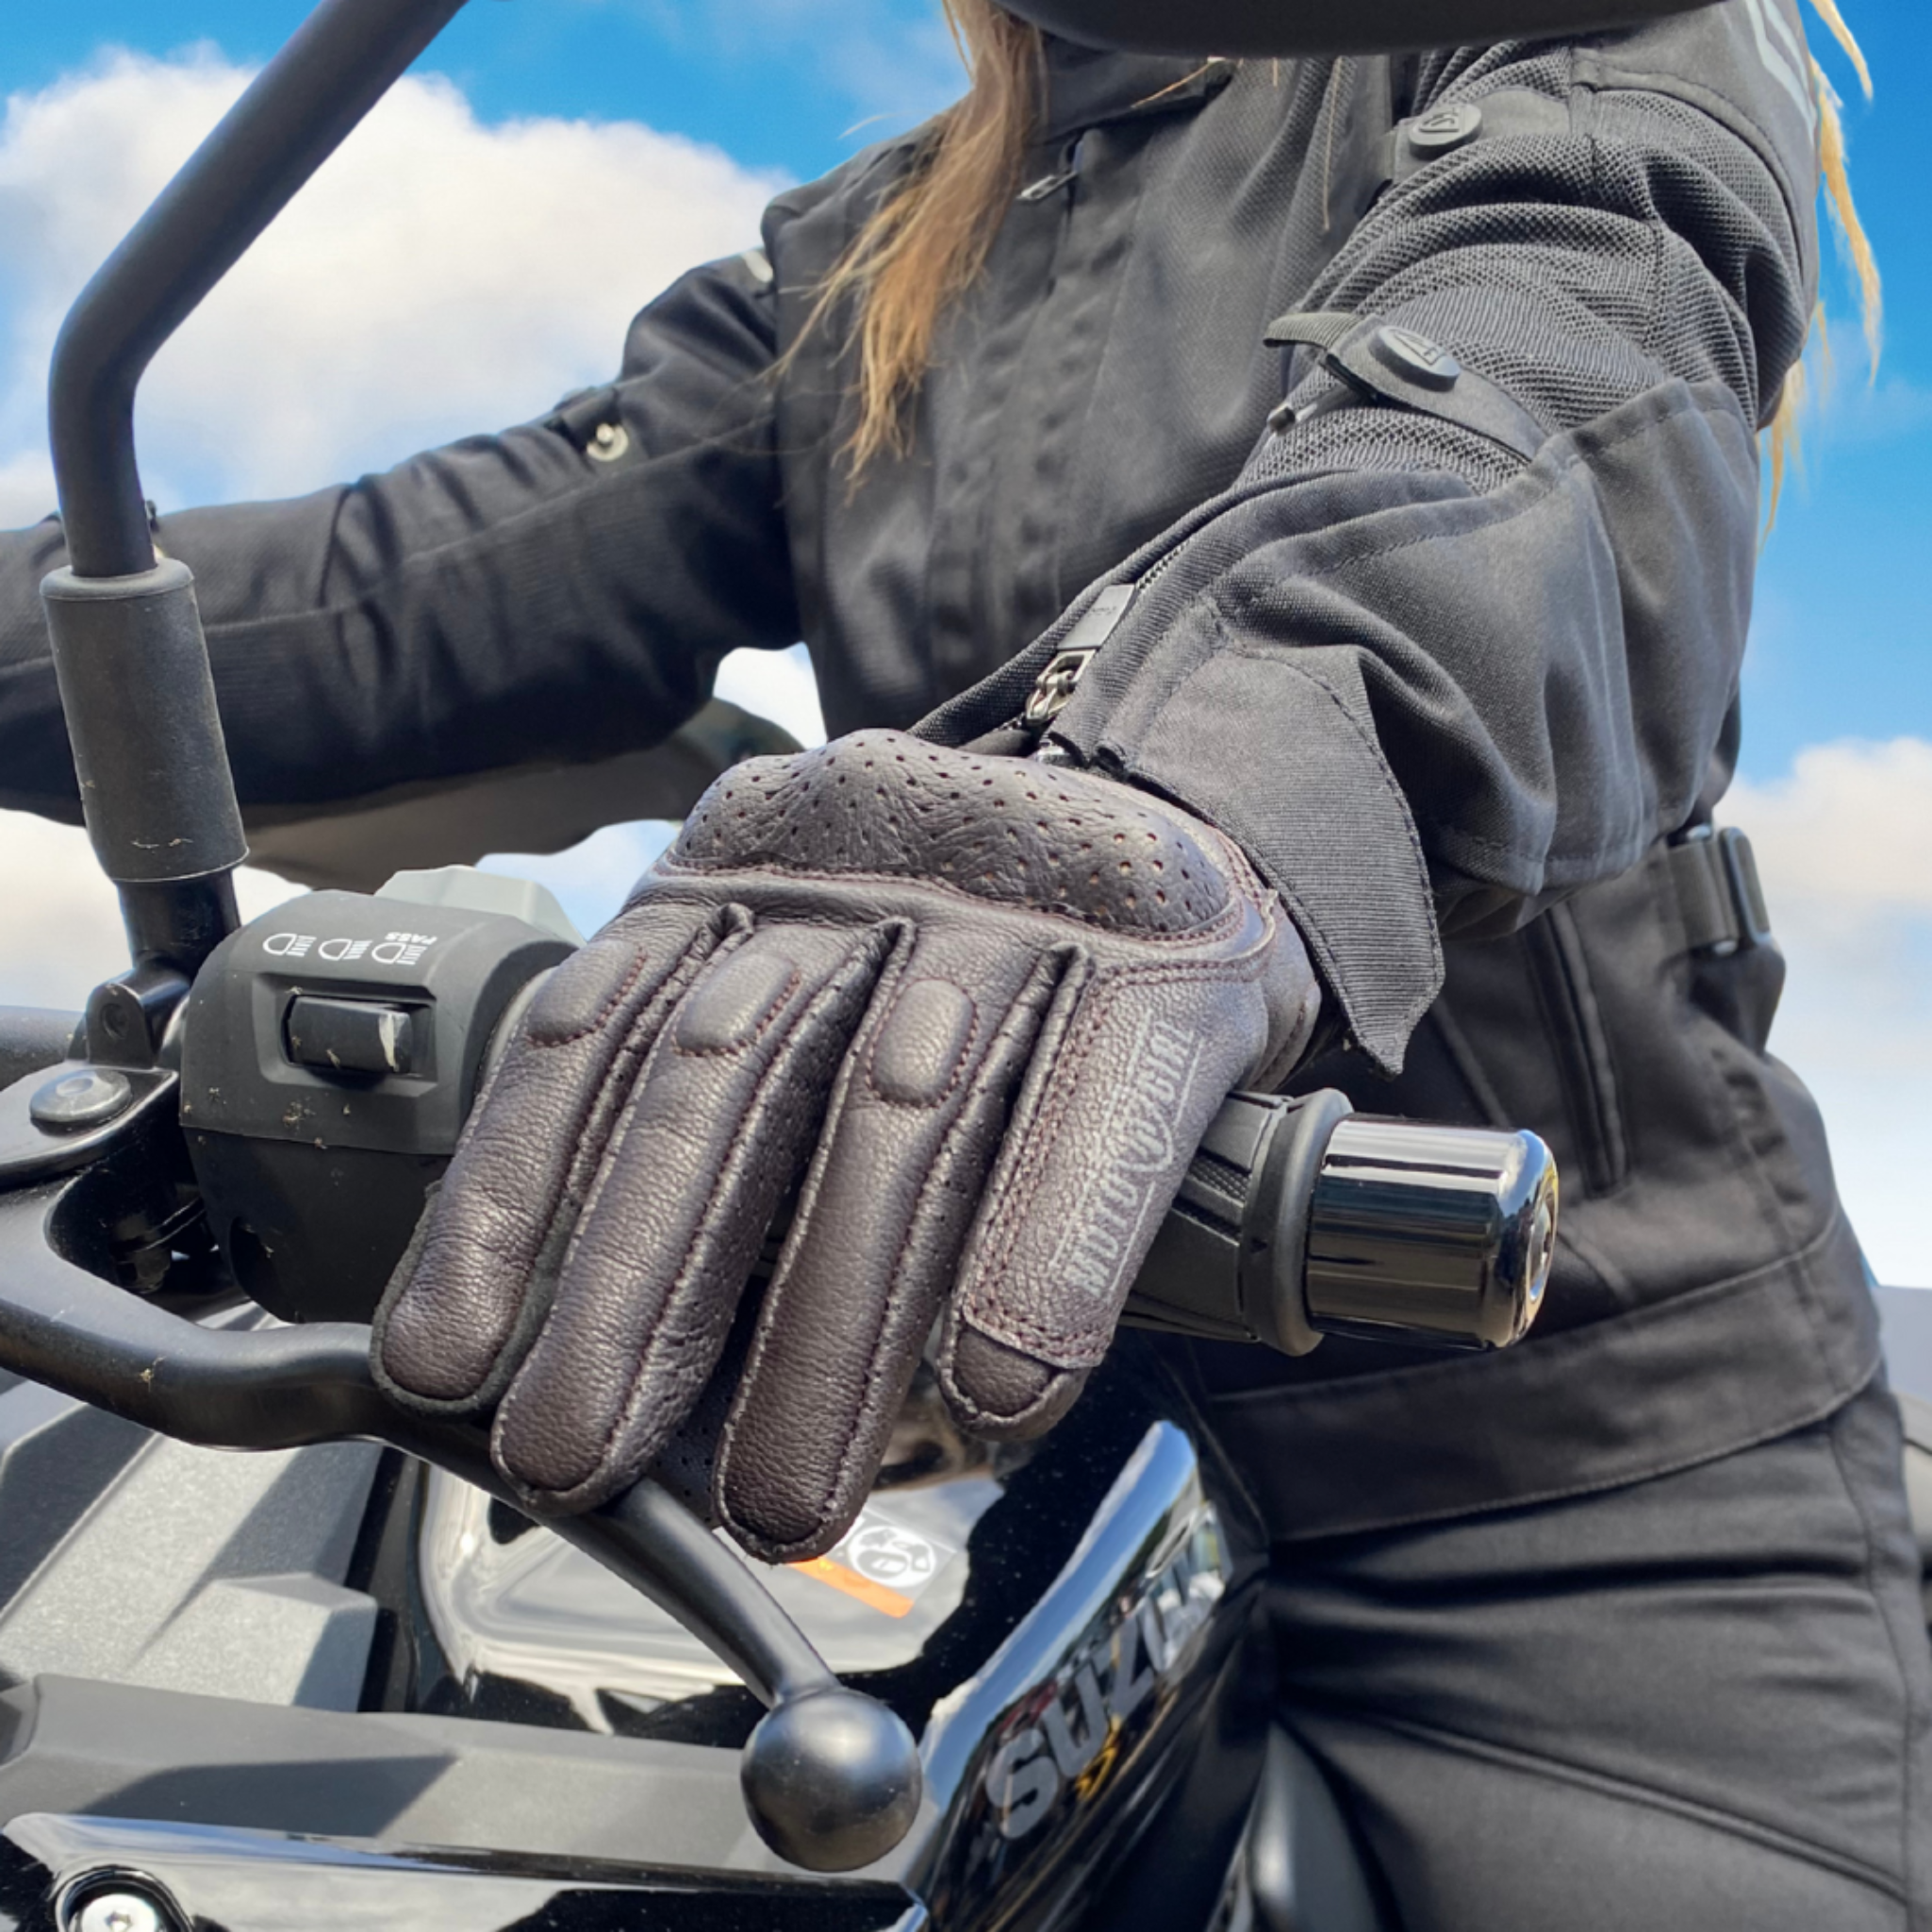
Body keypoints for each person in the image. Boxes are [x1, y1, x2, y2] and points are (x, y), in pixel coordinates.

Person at [0, 1, 1923, 1924]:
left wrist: (1189, 784)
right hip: (1013, 1476)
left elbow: (1533, 415)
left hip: (1571, 1490)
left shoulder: (1556, 52)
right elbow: (388, 600)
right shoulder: (854, 270)